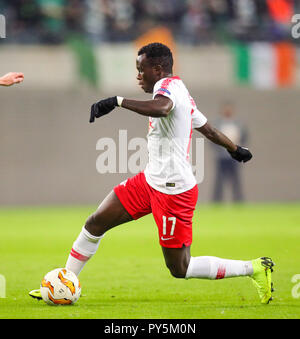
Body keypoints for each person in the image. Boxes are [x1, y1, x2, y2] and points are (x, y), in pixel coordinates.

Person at [29, 43, 274, 304]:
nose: (138, 76)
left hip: (173, 191)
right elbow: (209, 130)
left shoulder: (167, 89)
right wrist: (235, 149)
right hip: (149, 181)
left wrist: (117, 101)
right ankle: (62, 284)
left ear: (157, 69)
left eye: (140, 69)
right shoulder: (181, 91)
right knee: (95, 223)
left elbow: (162, 108)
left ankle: (255, 268)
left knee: (180, 268)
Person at [212, 102, 248, 202]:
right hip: (221, 157)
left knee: (236, 180)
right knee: (219, 181)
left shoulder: (238, 124)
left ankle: (238, 200)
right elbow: (212, 138)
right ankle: (217, 201)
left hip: (234, 157)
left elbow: (244, 137)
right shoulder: (218, 124)